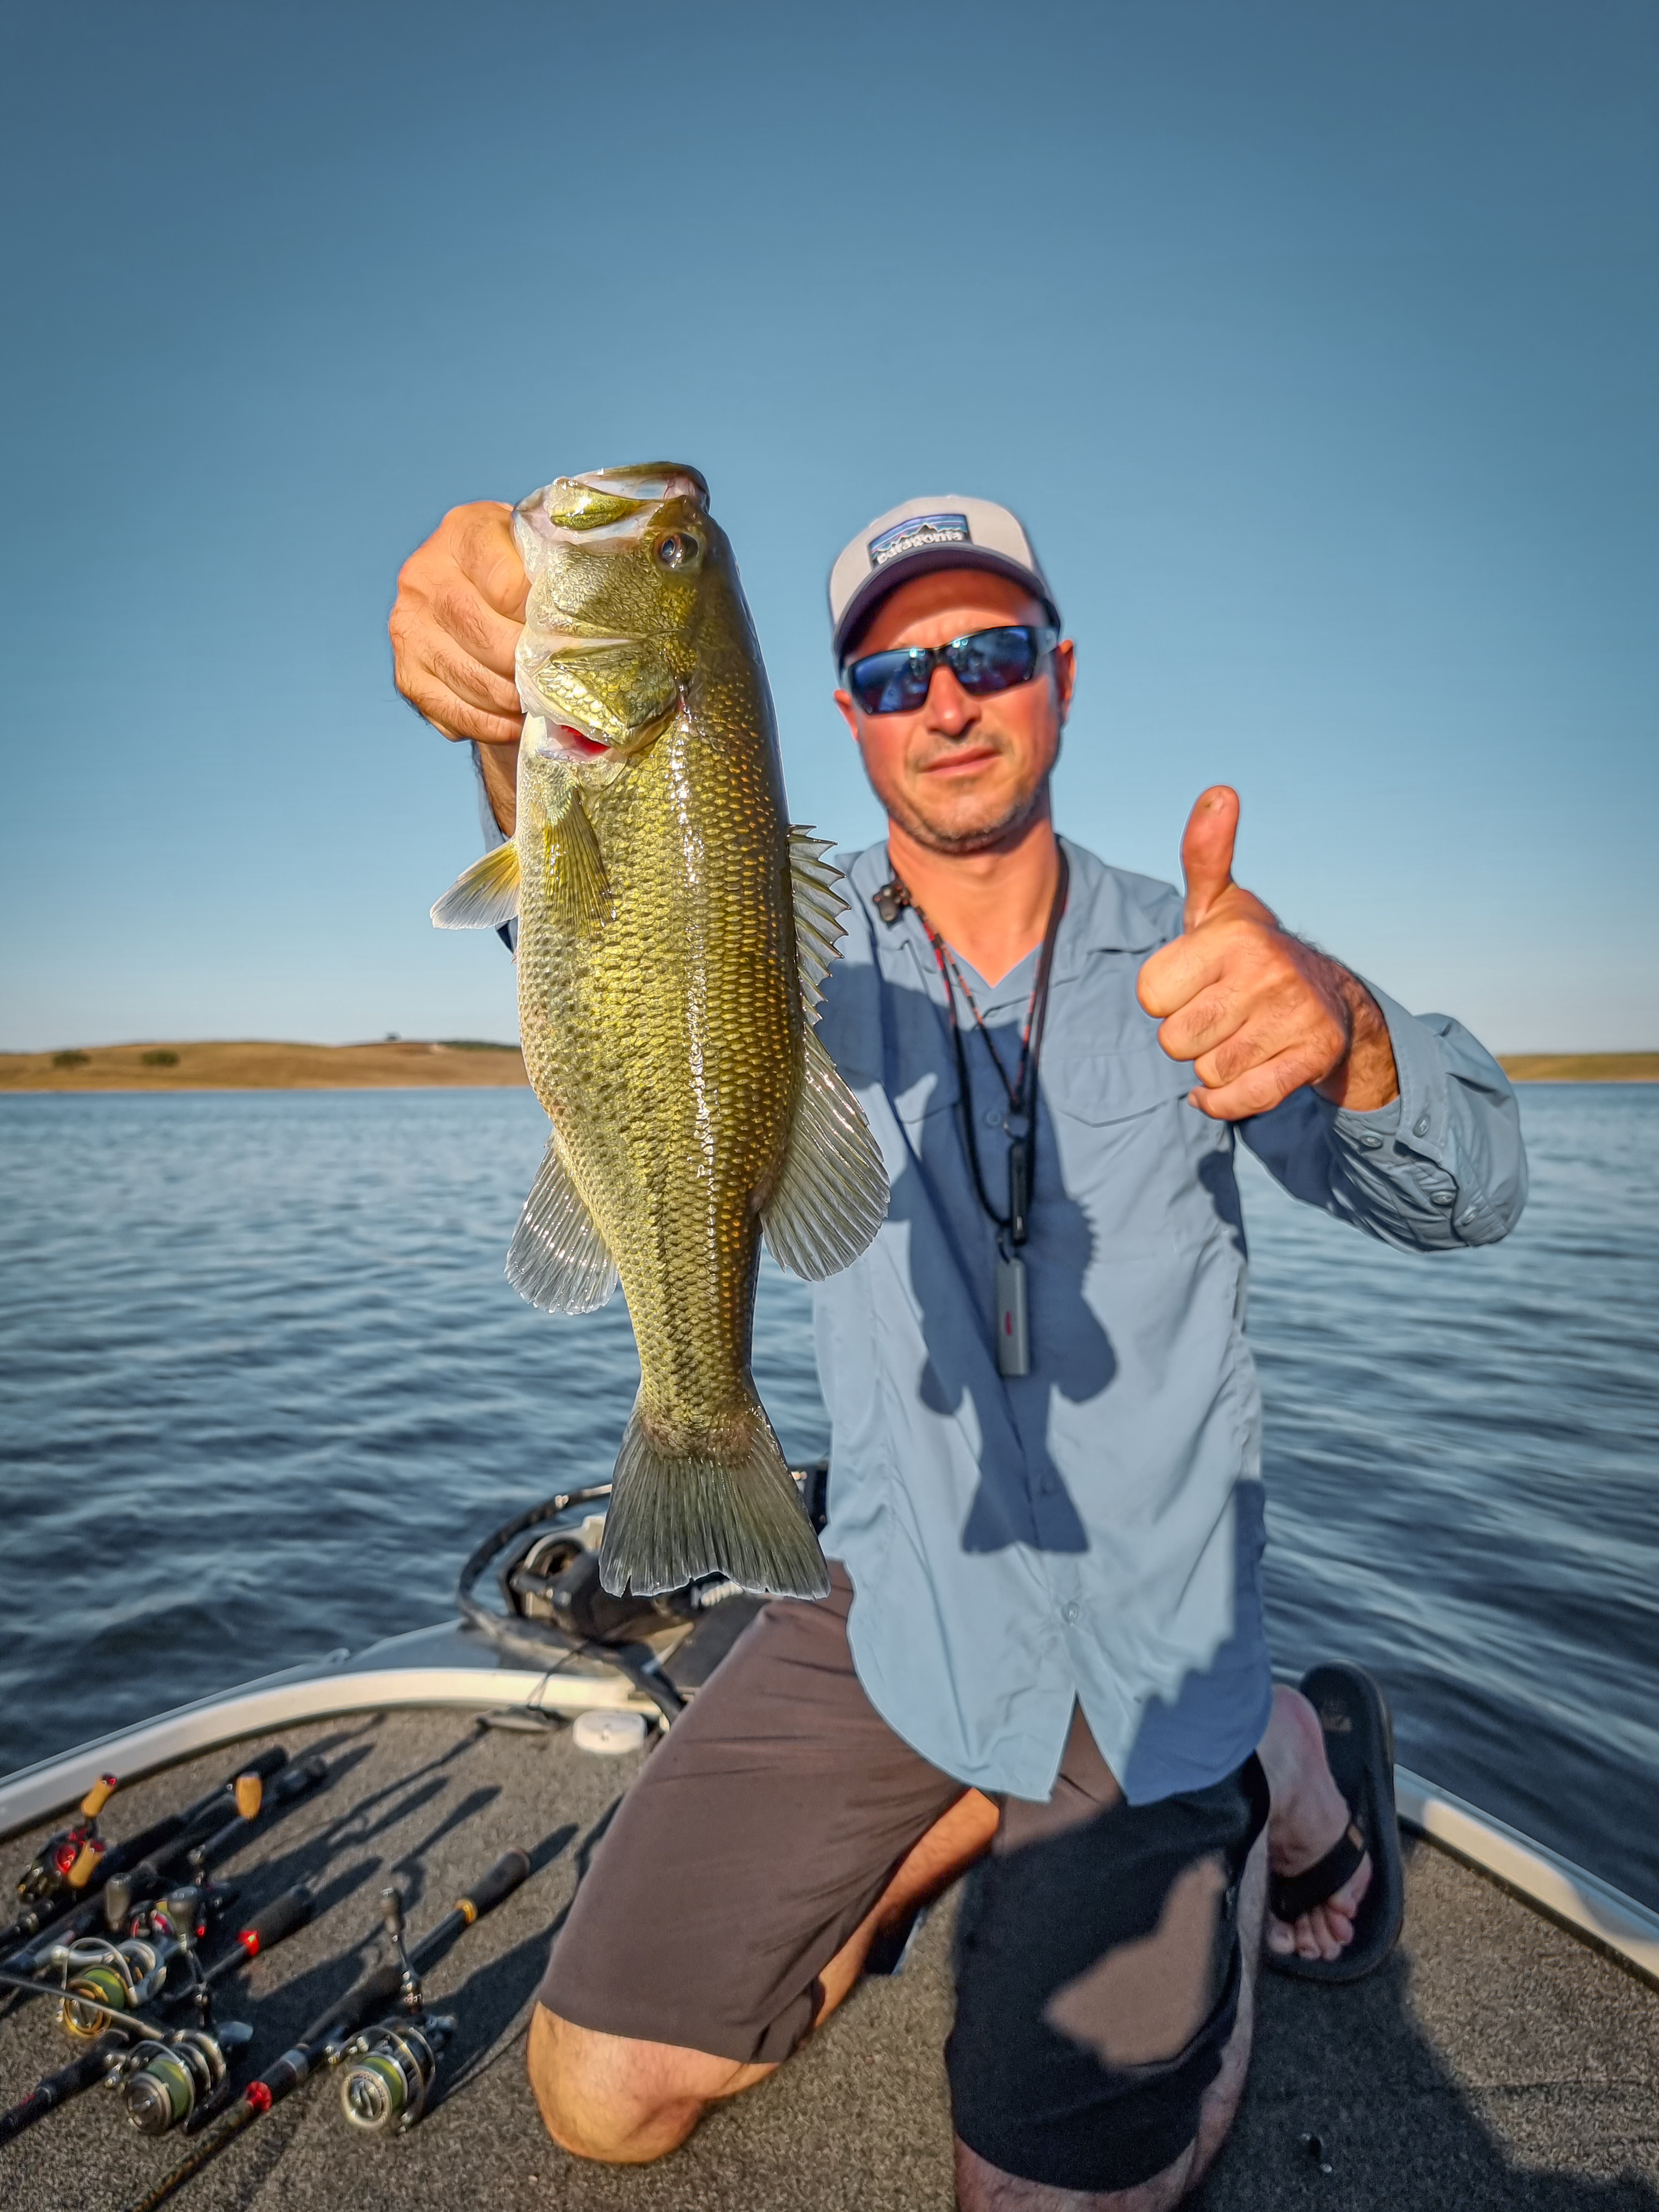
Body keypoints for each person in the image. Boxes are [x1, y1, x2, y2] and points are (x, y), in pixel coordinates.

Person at [390, 486, 1527, 2209]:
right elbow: (597, 898)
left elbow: (1474, 1198)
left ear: (1059, 677)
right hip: (889, 1605)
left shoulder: (1201, 958)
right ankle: (999, 1805)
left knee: (1044, 2201)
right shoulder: (779, 937)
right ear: (836, 716)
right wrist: (497, 708)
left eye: (988, 652)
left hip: (1148, 1656)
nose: (946, 698)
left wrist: (1348, 1028)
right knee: (593, 2095)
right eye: (892, 671)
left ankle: (1260, 1762)